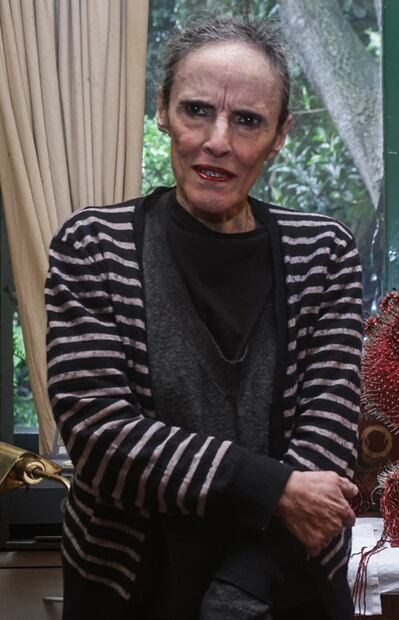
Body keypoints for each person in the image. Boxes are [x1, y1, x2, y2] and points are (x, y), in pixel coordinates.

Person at [45, 17, 362, 619]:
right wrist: (271, 488)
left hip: (283, 585)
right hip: (132, 591)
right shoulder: (94, 244)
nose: (218, 141)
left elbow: (329, 432)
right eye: (196, 110)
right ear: (162, 111)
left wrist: (244, 587)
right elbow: (99, 435)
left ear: (280, 136)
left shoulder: (324, 252)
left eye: (248, 120)